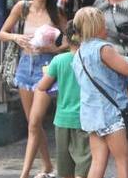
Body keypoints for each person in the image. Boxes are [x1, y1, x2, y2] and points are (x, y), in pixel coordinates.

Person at [0, 0, 66, 178]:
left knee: (35, 123)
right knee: (32, 123)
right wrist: (17, 37)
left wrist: (53, 50)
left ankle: (25, 173)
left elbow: (71, 40)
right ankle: (46, 166)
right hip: (25, 66)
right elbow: (1, 34)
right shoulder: (22, 7)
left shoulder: (57, 12)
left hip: (46, 69)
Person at [71, 7, 128, 178]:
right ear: (94, 27)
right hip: (111, 113)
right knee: (124, 160)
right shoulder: (103, 49)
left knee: (98, 161)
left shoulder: (78, 53)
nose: (106, 28)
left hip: (91, 114)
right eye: (103, 25)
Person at [35, 21, 91, 178]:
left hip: (62, 121)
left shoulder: (59, 61)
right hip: (84, 121)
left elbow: (41, 87)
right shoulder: (91, 59)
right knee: (84, 168)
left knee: (65, 171)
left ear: (66, 38)